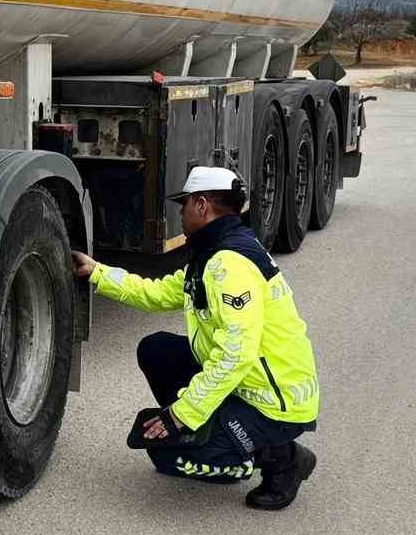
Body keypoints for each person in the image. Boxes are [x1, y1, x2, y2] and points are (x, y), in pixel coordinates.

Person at [72, 166, 320, 510]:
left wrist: (180, 417)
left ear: (202, 205)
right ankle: (213, 429)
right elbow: (157, 293)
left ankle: (285, 460)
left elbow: (235, 355)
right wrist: (97, 273)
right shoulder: (212, 255)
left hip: (272, 403)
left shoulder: (228, 265)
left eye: (184, 205)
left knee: (167, 458)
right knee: (156, 350)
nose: (181, 213)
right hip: (246, 384)